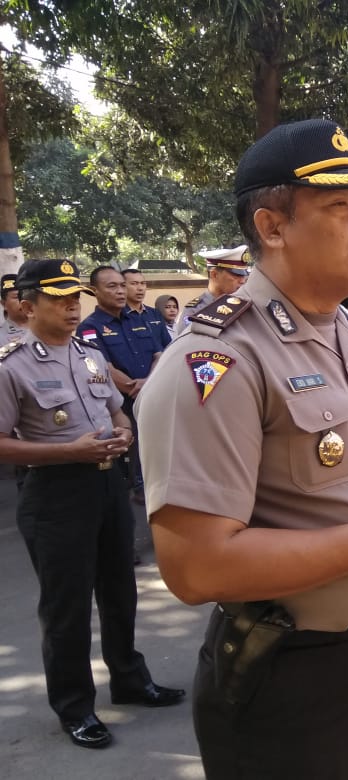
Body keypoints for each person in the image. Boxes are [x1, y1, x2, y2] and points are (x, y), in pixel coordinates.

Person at [135, 119, 348, 780]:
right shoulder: (217, 360)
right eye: (340, 209)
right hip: (296, 679)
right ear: (272, 226)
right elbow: (197, 569)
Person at [0, 259, 184, 750]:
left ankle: (129, 678)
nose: (70, 305)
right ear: (26, 303)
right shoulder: (11, 364)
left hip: (107, 486)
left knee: (121, 591)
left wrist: (124, 431)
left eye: (73, 296)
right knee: (67, 607)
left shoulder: (89, 354)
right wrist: (66, 451)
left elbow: (117, 411)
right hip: (54, 494)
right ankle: (75, 707)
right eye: (58, 298)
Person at [77, 266, 166, 505]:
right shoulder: (89, 327)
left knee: (160, 446)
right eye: (112, 286)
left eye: (121, 285)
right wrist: (133, 388)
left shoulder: (139, 319)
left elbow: (159, 354)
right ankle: (139, 488)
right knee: (134, 448)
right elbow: (102, 367)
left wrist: (149, 384)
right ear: (95, 291)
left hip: (152, 395)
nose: (120, 291)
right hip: (122, 403)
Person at [175, 246, 250, 334]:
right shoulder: (194, 311)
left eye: (243, 275)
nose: (242, 281)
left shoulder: (244, 306)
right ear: (214, 274)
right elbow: (187, 344)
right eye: (236, 275)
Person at [122, 269, 171, 350]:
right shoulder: (119, 315)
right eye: (134, 284)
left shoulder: (155, 313)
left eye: (143, 283)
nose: (140, 288)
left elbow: (167, 344)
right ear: (122, 286)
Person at [3, 272, 27, 342]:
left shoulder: (45, 329)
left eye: (26, 296)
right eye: (17, 297)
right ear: (4, 304)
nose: (23, 300)